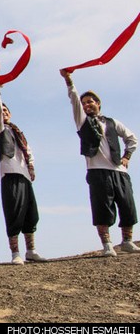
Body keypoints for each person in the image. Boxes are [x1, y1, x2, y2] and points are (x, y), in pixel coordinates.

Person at [60, 69, 140, 256]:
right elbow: (73, 99)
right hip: (97, 170)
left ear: (98, 104)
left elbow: (132, 138)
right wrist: (69, 80)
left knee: (128, 206)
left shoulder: (112, 122)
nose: (86, 105)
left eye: (90, 102)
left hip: (119, 171)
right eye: (84, 103)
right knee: (102, 208)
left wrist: (127, 156)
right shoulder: (82, 121)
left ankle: (127, 241)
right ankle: (107, 245)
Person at [0, 82, 47, 265]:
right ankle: (16, 253)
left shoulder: (18, 132)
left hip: (25, 176)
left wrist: (31, 167)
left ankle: (31, 251)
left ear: (11, 114)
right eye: (1, 111)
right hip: (10, 174)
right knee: (13, 213)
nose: (4, 113)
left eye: (6, 111)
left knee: (31, 214)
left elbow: (28, 151)